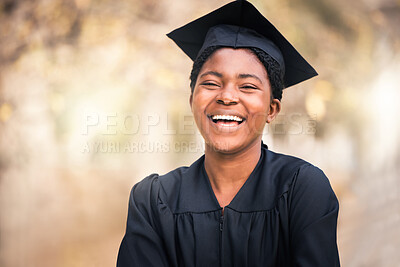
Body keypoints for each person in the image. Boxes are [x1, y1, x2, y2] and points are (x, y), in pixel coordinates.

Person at [117, 1, 340, 266]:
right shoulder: (153, 200)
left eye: (247, 86)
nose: (227, 96)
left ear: (272, 109)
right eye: (211, 83)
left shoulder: (301, 190)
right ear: (192, 100)